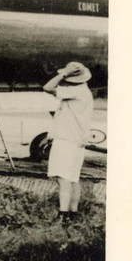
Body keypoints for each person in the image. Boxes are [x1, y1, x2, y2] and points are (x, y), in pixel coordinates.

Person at [43, 61, 94, 222]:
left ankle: (63, 215)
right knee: (73, 179)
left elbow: (47, 87)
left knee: (63, 179)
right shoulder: (84, 91)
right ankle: (73, 213)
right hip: (77, 140)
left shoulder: (74, 91)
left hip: (66, 139)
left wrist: (63, 73)